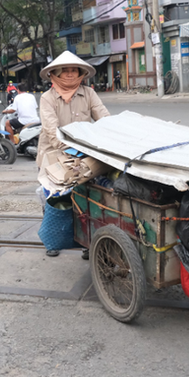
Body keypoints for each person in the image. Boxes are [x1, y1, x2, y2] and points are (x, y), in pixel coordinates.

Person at [37, 50, 111, 258]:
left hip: (84, 154)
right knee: (54, 198)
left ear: (80, 73)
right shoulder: (47, 98)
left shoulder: (89, 94)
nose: (69, 74)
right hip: (54, 154)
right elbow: (52, 130)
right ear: (56, 74)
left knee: (86, 198)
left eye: (73, 70)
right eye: (65, 71)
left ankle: (87, 242)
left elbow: (104, 117)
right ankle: (53, 238)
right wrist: (70, 151)